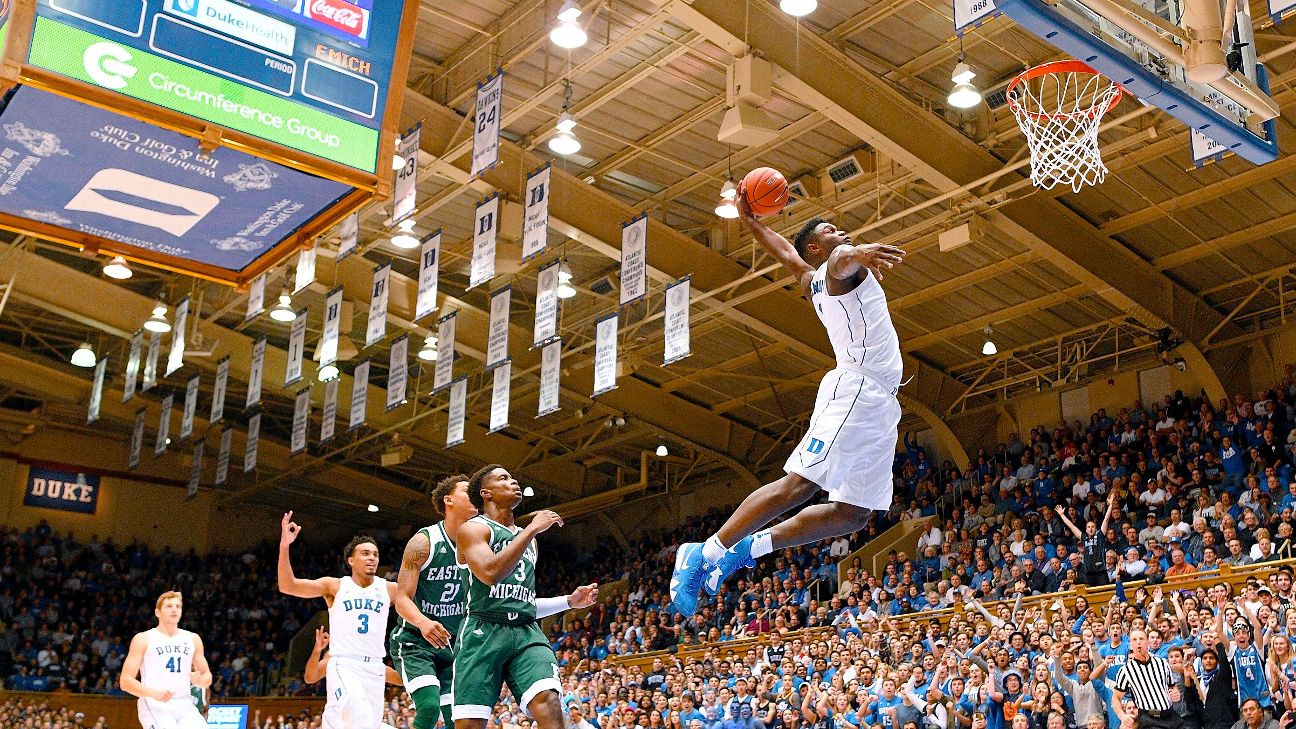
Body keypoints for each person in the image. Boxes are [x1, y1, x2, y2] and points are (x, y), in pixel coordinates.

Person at [669, 195, 908, 617]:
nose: (842, 232)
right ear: (817, 249)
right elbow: (839, 261)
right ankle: (703, 551)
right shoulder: (839, 273)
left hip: (880, 403)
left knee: (855, 513)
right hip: (856, 389)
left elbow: (786, 251)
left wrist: (750, 221)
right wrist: (855, 251)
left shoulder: (809, 277)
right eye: (831, 231)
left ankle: (747, 547)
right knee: (801, 485)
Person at [451, 464, 598, 729]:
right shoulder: (473, 529)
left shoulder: (530, 541)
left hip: (525, 631)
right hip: (482, 630)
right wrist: (531, 529)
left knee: (550, 703)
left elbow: (522, 602)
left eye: (513, 477)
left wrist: (568, 601)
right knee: (469, 725)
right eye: (503, 478)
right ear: (486, 493)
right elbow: (489, 573)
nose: (513, 481)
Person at [277, 512, 427, 729]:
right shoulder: (335, 586)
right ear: (351, 560)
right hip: (344, 663)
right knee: (360, 717)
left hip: (375, 668)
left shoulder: (389, 589)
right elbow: (288, 585)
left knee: (367, 723)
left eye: (375, 554)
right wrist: (284, 546)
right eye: (365, 553)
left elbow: (424, 595)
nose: (372, 558)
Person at [390, 474, 478, 729]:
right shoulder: (424, 542)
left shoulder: (478, 543)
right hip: (415, 641)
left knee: (457, 720)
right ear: (448, 500)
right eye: (466, 490)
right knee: (428, 707)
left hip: (453, 644)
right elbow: (402, 599)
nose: (474, 494)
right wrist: (424, 622)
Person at [118, 591, 212, 729]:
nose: (174, 609)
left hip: (185, 704)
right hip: (154, 703)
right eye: (169, 606)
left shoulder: (193, 639)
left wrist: (201, 680)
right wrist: (153, 693)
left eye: (177, 606)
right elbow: (125, 681)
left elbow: (207, 676)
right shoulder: (143, 639)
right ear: (158, 612)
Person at [303, 627, 401, 729]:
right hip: (339, 720)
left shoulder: (371, 662)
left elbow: (400, 679)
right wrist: (316, 651)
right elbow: (310, 678)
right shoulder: (336, 657)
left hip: (368, 721)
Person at [1113, 629, 1182, 729]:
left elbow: (1172, 687)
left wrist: (1175, 692)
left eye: (1141, 638)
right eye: (1134, 640)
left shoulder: (1162, 663)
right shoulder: (1126, 670)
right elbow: (1116, 697)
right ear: (1130, 645)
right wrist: (1122, 716)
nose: (1138, 642)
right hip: (1149, 717)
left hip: (1169, 713)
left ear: (1148, 643)